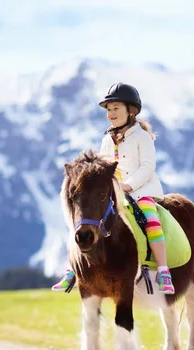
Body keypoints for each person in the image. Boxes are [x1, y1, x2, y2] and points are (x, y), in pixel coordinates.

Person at [52, 82, 175, 294]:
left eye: (116, 108)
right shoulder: (107, 139)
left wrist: (128, 185)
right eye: (108, 110)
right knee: (84, 220)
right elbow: (102, 167)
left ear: (131, 110)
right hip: (116, 193)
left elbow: (147, 167)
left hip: (142, 191)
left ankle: (163, 270)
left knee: (151, 219)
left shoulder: (142, 137)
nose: (111, 113)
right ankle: (73, 268)